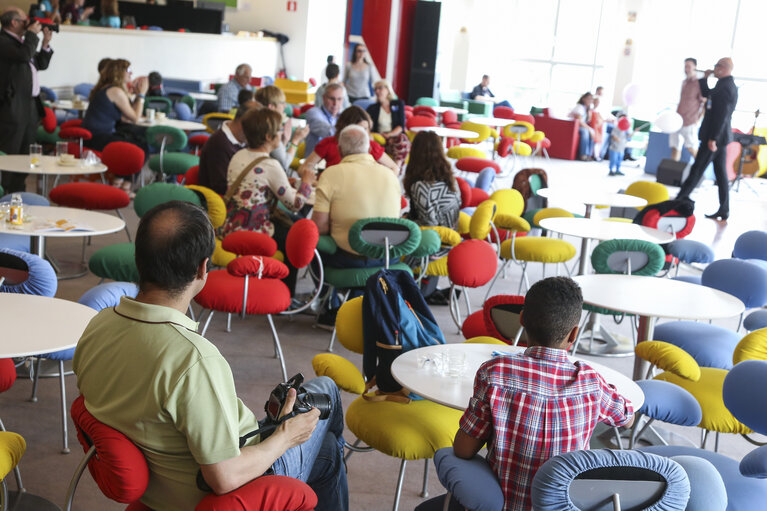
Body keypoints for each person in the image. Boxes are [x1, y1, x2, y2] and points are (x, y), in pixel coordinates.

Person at [73, 200, 348, 511]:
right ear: (203, 268)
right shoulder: (193, 359)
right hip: (227, 488)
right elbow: (224, 476)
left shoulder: (99, 324)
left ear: (140, 261)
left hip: (159, 485)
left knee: (325, 451)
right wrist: (284, 437)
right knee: (327, 392)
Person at [450, 276, 634, 511]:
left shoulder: (495, 374)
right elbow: (628, 419)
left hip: (503, 505)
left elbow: (463, 450)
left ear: (522, 319)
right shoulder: (590, 382)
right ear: (574, 333)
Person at [311, 124, 402, 327]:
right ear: (369, 148)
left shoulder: (331, 174)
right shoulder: (390, 175)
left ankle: (329, 305)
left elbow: (320, 227)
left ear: (340, 149)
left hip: (349, 259)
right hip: (389, 258)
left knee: (313, 243)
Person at [221, 108, 315, 292]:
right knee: (295, 237)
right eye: (279, 130)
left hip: (230, 225)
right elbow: (295, 205)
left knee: (292, 224)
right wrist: (306, 182)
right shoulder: (271, 164)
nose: (281, 133)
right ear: (267, 136)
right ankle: (285, 295)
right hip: (254, 229)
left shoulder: (238, 155)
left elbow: (255, 184)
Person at [676, 57, 738, 221]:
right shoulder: (721, 84)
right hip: (718, 137)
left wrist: (714, 139)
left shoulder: (727, 87)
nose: (714, 68)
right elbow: (707, 95)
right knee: (720, 174)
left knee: (697, 169)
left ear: (723, 68)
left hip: (715, 137)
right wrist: (705, 79)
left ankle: (679, 199)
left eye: (716, 66)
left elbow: (722, 116)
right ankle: (724, 209)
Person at [0, 7, 54, 193]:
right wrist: (32, 35)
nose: (29, 24)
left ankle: (18, 192)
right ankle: (4, 193)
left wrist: (45, 43)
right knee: (10, 151)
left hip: (30, 106)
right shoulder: (4, 42)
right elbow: (24, 56)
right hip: (12, 107)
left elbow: (39, 63)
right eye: (25, 21)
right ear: (14, 23)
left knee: (26, 153)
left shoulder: (22, 43)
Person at [300, 105, 399, 176]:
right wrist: (314, 180)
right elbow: (303, 169)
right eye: (359, 129)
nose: (363, 134)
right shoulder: (329, 143)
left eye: (366, 129)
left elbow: (394, 168)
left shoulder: (371, 146)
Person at [82, 58, 148, 151]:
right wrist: (142, 95)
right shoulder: (116, 91)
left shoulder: (108, 88)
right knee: (141, 146)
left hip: (95, 136)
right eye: (128, 70)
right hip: (98, 138)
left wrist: (137, 96)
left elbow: (129, 114)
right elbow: (135, 118)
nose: (131, 73)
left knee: (136, 135)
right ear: (118, 72)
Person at [403, 130, 460, 228]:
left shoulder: (420, 186)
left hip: (436, 237)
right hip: (451, 232)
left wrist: (404, 222)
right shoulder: (450, 178)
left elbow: (429, 224)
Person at [198, 101, 257, 195]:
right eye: (256, 127)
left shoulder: (243, 141)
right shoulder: (219, 144)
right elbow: (220, 187)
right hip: (218, 201)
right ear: (244, 122)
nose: (258, 132)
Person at [254, 85, 309, 172]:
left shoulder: (256, 122)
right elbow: (284, 163)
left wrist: (284, 141)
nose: (285, 106)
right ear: (271, 107)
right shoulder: (270, 128)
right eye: (282, 103)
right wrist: (295, 140)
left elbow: (276, 156)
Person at [367, 80, 411, 167]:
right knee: (403, 144)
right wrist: (381, 135)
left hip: (396, 136)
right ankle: (396, 170)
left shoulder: (398, 104)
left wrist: (390, 135)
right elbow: (368, 126)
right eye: (375, 89)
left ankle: (396, 168)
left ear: (387, 89)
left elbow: (401, 126)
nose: (377, 91)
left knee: (402, 139)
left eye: (380, 88)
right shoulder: (372, 108)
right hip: (380, 138)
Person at [670, 58, 706, 161]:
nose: (686, 69)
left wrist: (698, 120)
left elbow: (704, 103)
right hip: (678, 120)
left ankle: (698, 172)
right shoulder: (684, 82)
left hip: (690, 121)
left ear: (695, 67)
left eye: (689, 66)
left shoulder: (699, 83)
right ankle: (672, 171)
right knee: (675, 147)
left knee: (692, 148)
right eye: (685, 66)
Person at [304, 83, 344, 155]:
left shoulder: (342, 116)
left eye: (339, 99)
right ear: (324, 98)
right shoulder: (313, 113)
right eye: (332, 99)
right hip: (315, 163)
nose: (335, 103)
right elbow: (329, 132)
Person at [569, 92, 595, 161]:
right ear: (583, 99)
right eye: (588, 99)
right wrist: (589, 129)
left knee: (592, 131)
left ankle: (588, 155)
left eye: (591, 99)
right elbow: (579, 122)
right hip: (571, 126)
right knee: (585, 131)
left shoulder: (586, 108)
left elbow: (587, 121)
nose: (590, 101)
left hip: (579, 126)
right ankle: (583, 155)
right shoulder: (579, 107)